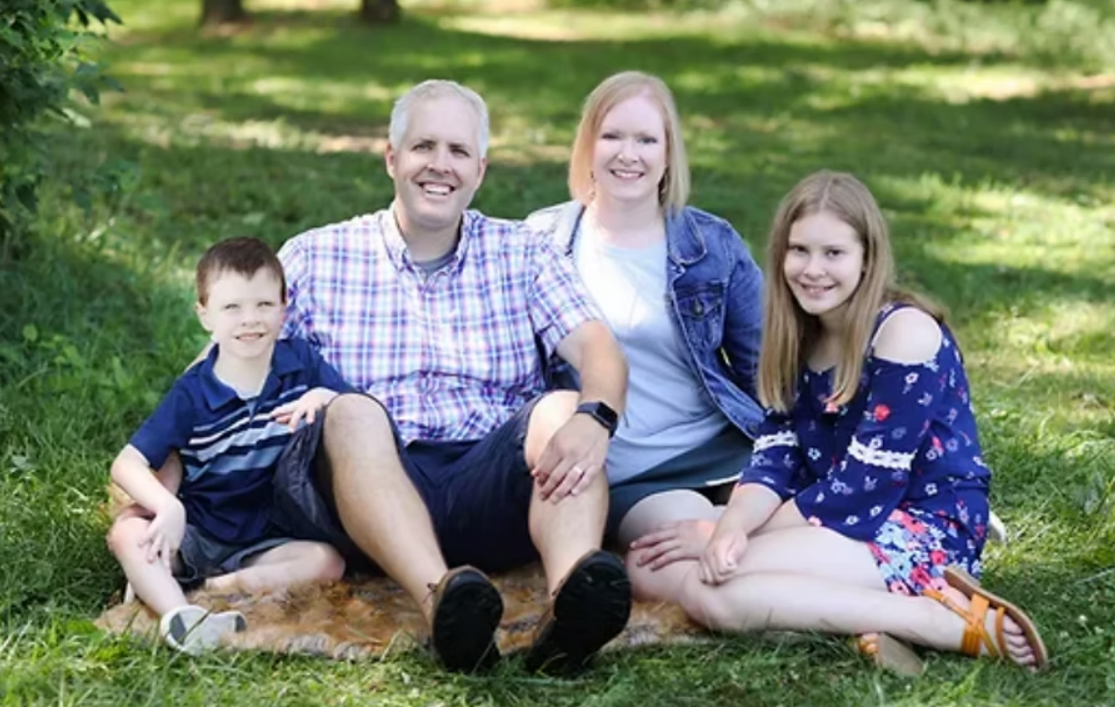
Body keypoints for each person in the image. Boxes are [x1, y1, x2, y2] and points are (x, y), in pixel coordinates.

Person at [272, 79, 632, 675]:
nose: (440, 166)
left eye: (459, 152)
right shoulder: (316, 256)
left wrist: (596, 418)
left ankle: (574, 604)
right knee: (353, 410)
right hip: (367, 488)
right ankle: (442, 601)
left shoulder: (524, 253)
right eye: (423, 147)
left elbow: (600, 350)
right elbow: (225, 372)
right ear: (392, 158)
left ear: (480, 170)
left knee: (564, 407)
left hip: (490, 482)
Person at [676, 170, 1048, 669]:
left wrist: (735, 534)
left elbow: (865, 485)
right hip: (834, 517)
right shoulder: (794, 338)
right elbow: (774, 455)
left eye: (834, 253)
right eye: (799, 250)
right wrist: (730, 524)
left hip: (918, 526)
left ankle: (943, 623)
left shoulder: (903, 333)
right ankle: (863, 616)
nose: (813, 269)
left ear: (867, 257)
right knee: (657, 569)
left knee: (708, 591)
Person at [525, 71, 764, 604]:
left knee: (777, 519)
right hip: (635, 473)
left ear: (668, 154)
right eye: (612, 136)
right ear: (588, 145)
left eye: (646, 139)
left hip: (724, 444)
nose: (627, 154)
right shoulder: (542, 241)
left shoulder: (710, 243)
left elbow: (765, 368)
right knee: (692, 544)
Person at [107, 237, 349, 655]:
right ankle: (180, 616)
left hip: (266, 537)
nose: (249, 320)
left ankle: (214, 592)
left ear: (284, 309)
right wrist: (169, 508)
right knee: (127, 533)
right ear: (205, 316)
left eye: (263, 305)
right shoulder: (192, 393)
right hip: (198, 529)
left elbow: (359, 408)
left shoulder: (302, 365)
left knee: (328, 562)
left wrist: (324, 398)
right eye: (232, 308)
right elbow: (126, 463)